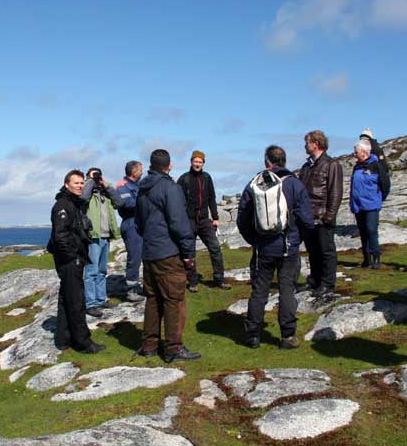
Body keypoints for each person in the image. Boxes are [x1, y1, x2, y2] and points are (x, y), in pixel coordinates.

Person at [237, 145, 314, 349]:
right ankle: (287, 336)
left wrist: (254, 240)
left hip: (263, 248)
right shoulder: (295, 185)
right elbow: (307, 219)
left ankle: (253, 335)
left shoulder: (254, 184)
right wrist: (297, 239)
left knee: (259, 291)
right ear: (284, 161)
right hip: (288, 247)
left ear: (266, 162)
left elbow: (242, 218)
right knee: (287, 289)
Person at [135, 149, 201, 362]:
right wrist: (189, 252)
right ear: (169, 166)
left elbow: (138, 223)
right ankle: (173, 348)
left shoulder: (142, 189)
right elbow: (179, 223)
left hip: (150, 252)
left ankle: (149, 345)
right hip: (168, 252)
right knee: (174, 299)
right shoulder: (170, 188)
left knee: (153, 299)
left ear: (150, 166)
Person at [46, 170, 105, 354]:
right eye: (76, 183)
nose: (80, 186)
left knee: (66, 298)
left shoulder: (74, 203)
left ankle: (63, 339)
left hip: (73, 258)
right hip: (70, 260)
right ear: (66, 184)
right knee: (76, 301)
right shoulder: (63, 206)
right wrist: (74, 257)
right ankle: (82, 342)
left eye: (81, 183)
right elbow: (61, 236)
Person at [298, 130, 343, 296]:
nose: (305, 145)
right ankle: (314, 280)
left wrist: (329, 215)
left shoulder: (332, 165)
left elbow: (335, 192)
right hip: (308, 217)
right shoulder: (306, 166)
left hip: (323, 216)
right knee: (313, 251)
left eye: (307, 142)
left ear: (315, 144)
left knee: (326, 251)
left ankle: (327, 283)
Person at [177, 150, 231, 292]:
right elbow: (178, 201)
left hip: (204, 220)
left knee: (215, 248)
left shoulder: (207, 177)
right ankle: (193, 282)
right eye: (195, 161)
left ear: (203, 163)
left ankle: (219, 279)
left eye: (200, 162)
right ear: (191, 162)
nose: (197, 164)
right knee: (189, 252)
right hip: (189, 220)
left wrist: (216, 218)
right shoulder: (184, 179)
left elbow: (211, 198)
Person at [80, 167, 124, 317]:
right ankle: (90, 303)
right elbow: (83, 197)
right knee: (91, 271)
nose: (96, 178)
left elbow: (119, 202)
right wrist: (91, 181)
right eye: (93, 176)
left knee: (102, 270)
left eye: (98, 175)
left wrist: (106, 185)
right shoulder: (87, 192)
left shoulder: (105, 192)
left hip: (105, 235)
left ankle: (101, 299)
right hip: (93, 236)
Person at [350, 138, 388, 269]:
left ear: (364, 152)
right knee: (363, 231)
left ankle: (376, 257)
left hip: (371, 204)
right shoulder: (357, 167)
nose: (354, 154)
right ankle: (366, 259)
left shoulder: (376, 165)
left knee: (371, 230)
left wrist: (379, 198)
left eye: (356, 151)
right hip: (358, 204)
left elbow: (385, 184)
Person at [115, 161, 145, 302]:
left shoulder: (138, 185)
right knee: (134, 257)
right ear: (134, 172)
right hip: (131, 223)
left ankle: (142, 286)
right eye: (140, 170)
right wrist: (145, 199)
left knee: (145, 257)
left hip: (142, 223)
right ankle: (131, 290)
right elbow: (127, 204)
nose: (142, 172)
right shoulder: (123, 187)